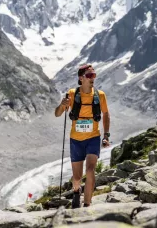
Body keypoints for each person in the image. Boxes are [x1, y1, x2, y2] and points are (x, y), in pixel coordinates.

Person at [55, 64, 110, 208]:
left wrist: (106, 135)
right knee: (77, 177)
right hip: (76, 140)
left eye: (94, 75)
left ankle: (87, 205)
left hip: (93, 138)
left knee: (91, 169)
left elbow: (106, 114)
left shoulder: (100, 95)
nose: (93, 78)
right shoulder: (72, 94)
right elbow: (58, 113)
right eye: (89, 75)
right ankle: (76, 191)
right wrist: (62, 105)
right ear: (81, 78)